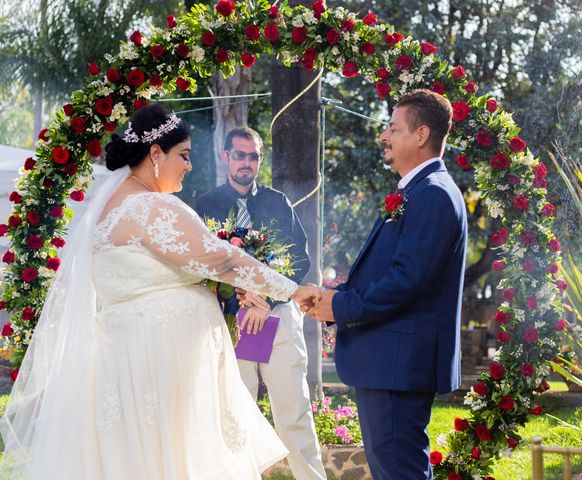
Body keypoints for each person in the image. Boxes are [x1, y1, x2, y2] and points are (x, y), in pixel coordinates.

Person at [0, 104, 321, 479]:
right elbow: (220, 259)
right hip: (159, 365)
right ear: (155, 154)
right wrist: (295, 292)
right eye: (183, 156)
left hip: (131, 359)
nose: (188, 166)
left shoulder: (110, 206)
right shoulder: (151, 206)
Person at [307, 89, 468, 480]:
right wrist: (336, 298)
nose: (384, 135)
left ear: (421, 134)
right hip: (390, 363)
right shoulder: (417, 190)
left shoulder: (433, 195)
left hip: (399, 365)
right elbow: (395, 273)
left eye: (394, 128)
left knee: (400, 472)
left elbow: (407, 281)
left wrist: (341, 307)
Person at [195, 127, 326, 480]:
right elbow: (200, 262)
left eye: (253, 156)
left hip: (277, 319)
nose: (247, 163)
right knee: (233, 419)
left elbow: (299, 259)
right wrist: (239, 299)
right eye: (239, 155)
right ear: (225, 157)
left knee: (295, 415)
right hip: (230, 324)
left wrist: (263, 299)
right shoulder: (204, 205)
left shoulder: (277, 202)